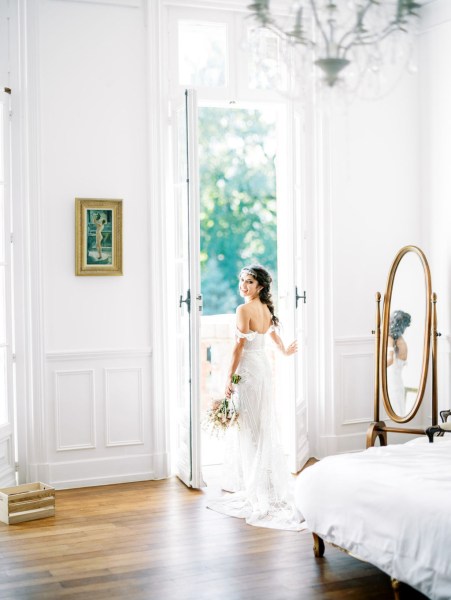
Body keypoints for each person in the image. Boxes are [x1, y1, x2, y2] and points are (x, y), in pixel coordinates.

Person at [207, 264, 305, 531]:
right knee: (260, 423)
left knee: (250, 427)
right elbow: (273, 337)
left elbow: (239, 347)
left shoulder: (243, 310)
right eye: (241, 280)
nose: (243, 285)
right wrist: (285, 351)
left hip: (249, 370)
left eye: (249, 282)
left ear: (260, 286)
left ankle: (255, 485)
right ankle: (264, 482)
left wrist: (229, 378)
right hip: (262, 369)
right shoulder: (265, 309)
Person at [386, 310, 411, 415]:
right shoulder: (401, 340)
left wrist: (377, 369)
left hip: (391, 378)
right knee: (398, 405)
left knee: (394, 405)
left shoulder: (391, 338)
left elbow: (390, 360)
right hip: (398, 379)